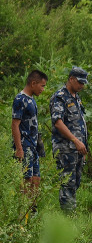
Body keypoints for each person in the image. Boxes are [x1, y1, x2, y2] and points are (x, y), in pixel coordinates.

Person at [50, 67, 89, 212]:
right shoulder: (60, 97)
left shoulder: (76, 97)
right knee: (67, 183)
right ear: (71, 79)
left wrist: (83, 146)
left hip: (78, 149)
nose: (82, 86)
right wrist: (75, 140)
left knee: (75, 183)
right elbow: (58, 122)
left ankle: (71, 215)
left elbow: (79, 123)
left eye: (84, 83)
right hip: (66, 147)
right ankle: (68, 219)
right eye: (79, 82)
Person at [11, 69, 47, 201]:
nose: (43, 89)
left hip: (33, 146)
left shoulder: (31, 99)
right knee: (26, 180)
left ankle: (32, 212)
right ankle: (23, 213)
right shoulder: (20, 99)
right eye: (42, 86)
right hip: (24, 146)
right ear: (33, 83)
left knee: (36, 179)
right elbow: (15, 125)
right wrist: (19, 149)